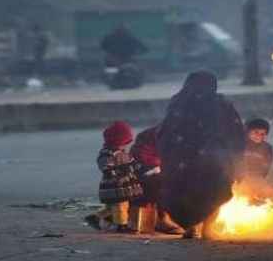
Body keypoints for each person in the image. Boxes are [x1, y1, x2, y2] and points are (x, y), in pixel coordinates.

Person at [157, 70, 247, 239]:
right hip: (203, 160)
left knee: (204, 193)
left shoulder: (180, 102)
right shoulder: (218, 104)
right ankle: (201, 228)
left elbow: (166, 133)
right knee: (211, 193)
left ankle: (196, 228)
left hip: (195, 160)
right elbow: (235, 134)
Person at [84, 121, 144, 233]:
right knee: (121, 205)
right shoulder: (108, 153)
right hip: (115, 185)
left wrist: (137, 166)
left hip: (123, 185)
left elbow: (131, 163)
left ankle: (95, 217)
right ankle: (121, 225)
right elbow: (105, 166)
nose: (125, 144)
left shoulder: (122, 152)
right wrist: (117, 172)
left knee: (113, 207)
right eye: (124, 141)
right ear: (117, 140)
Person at [130, 125, 185, 235]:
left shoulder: (171, 130)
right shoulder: (166, 133)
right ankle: (161, 219)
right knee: (162, 185)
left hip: (149, 165)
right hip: (145, 168)